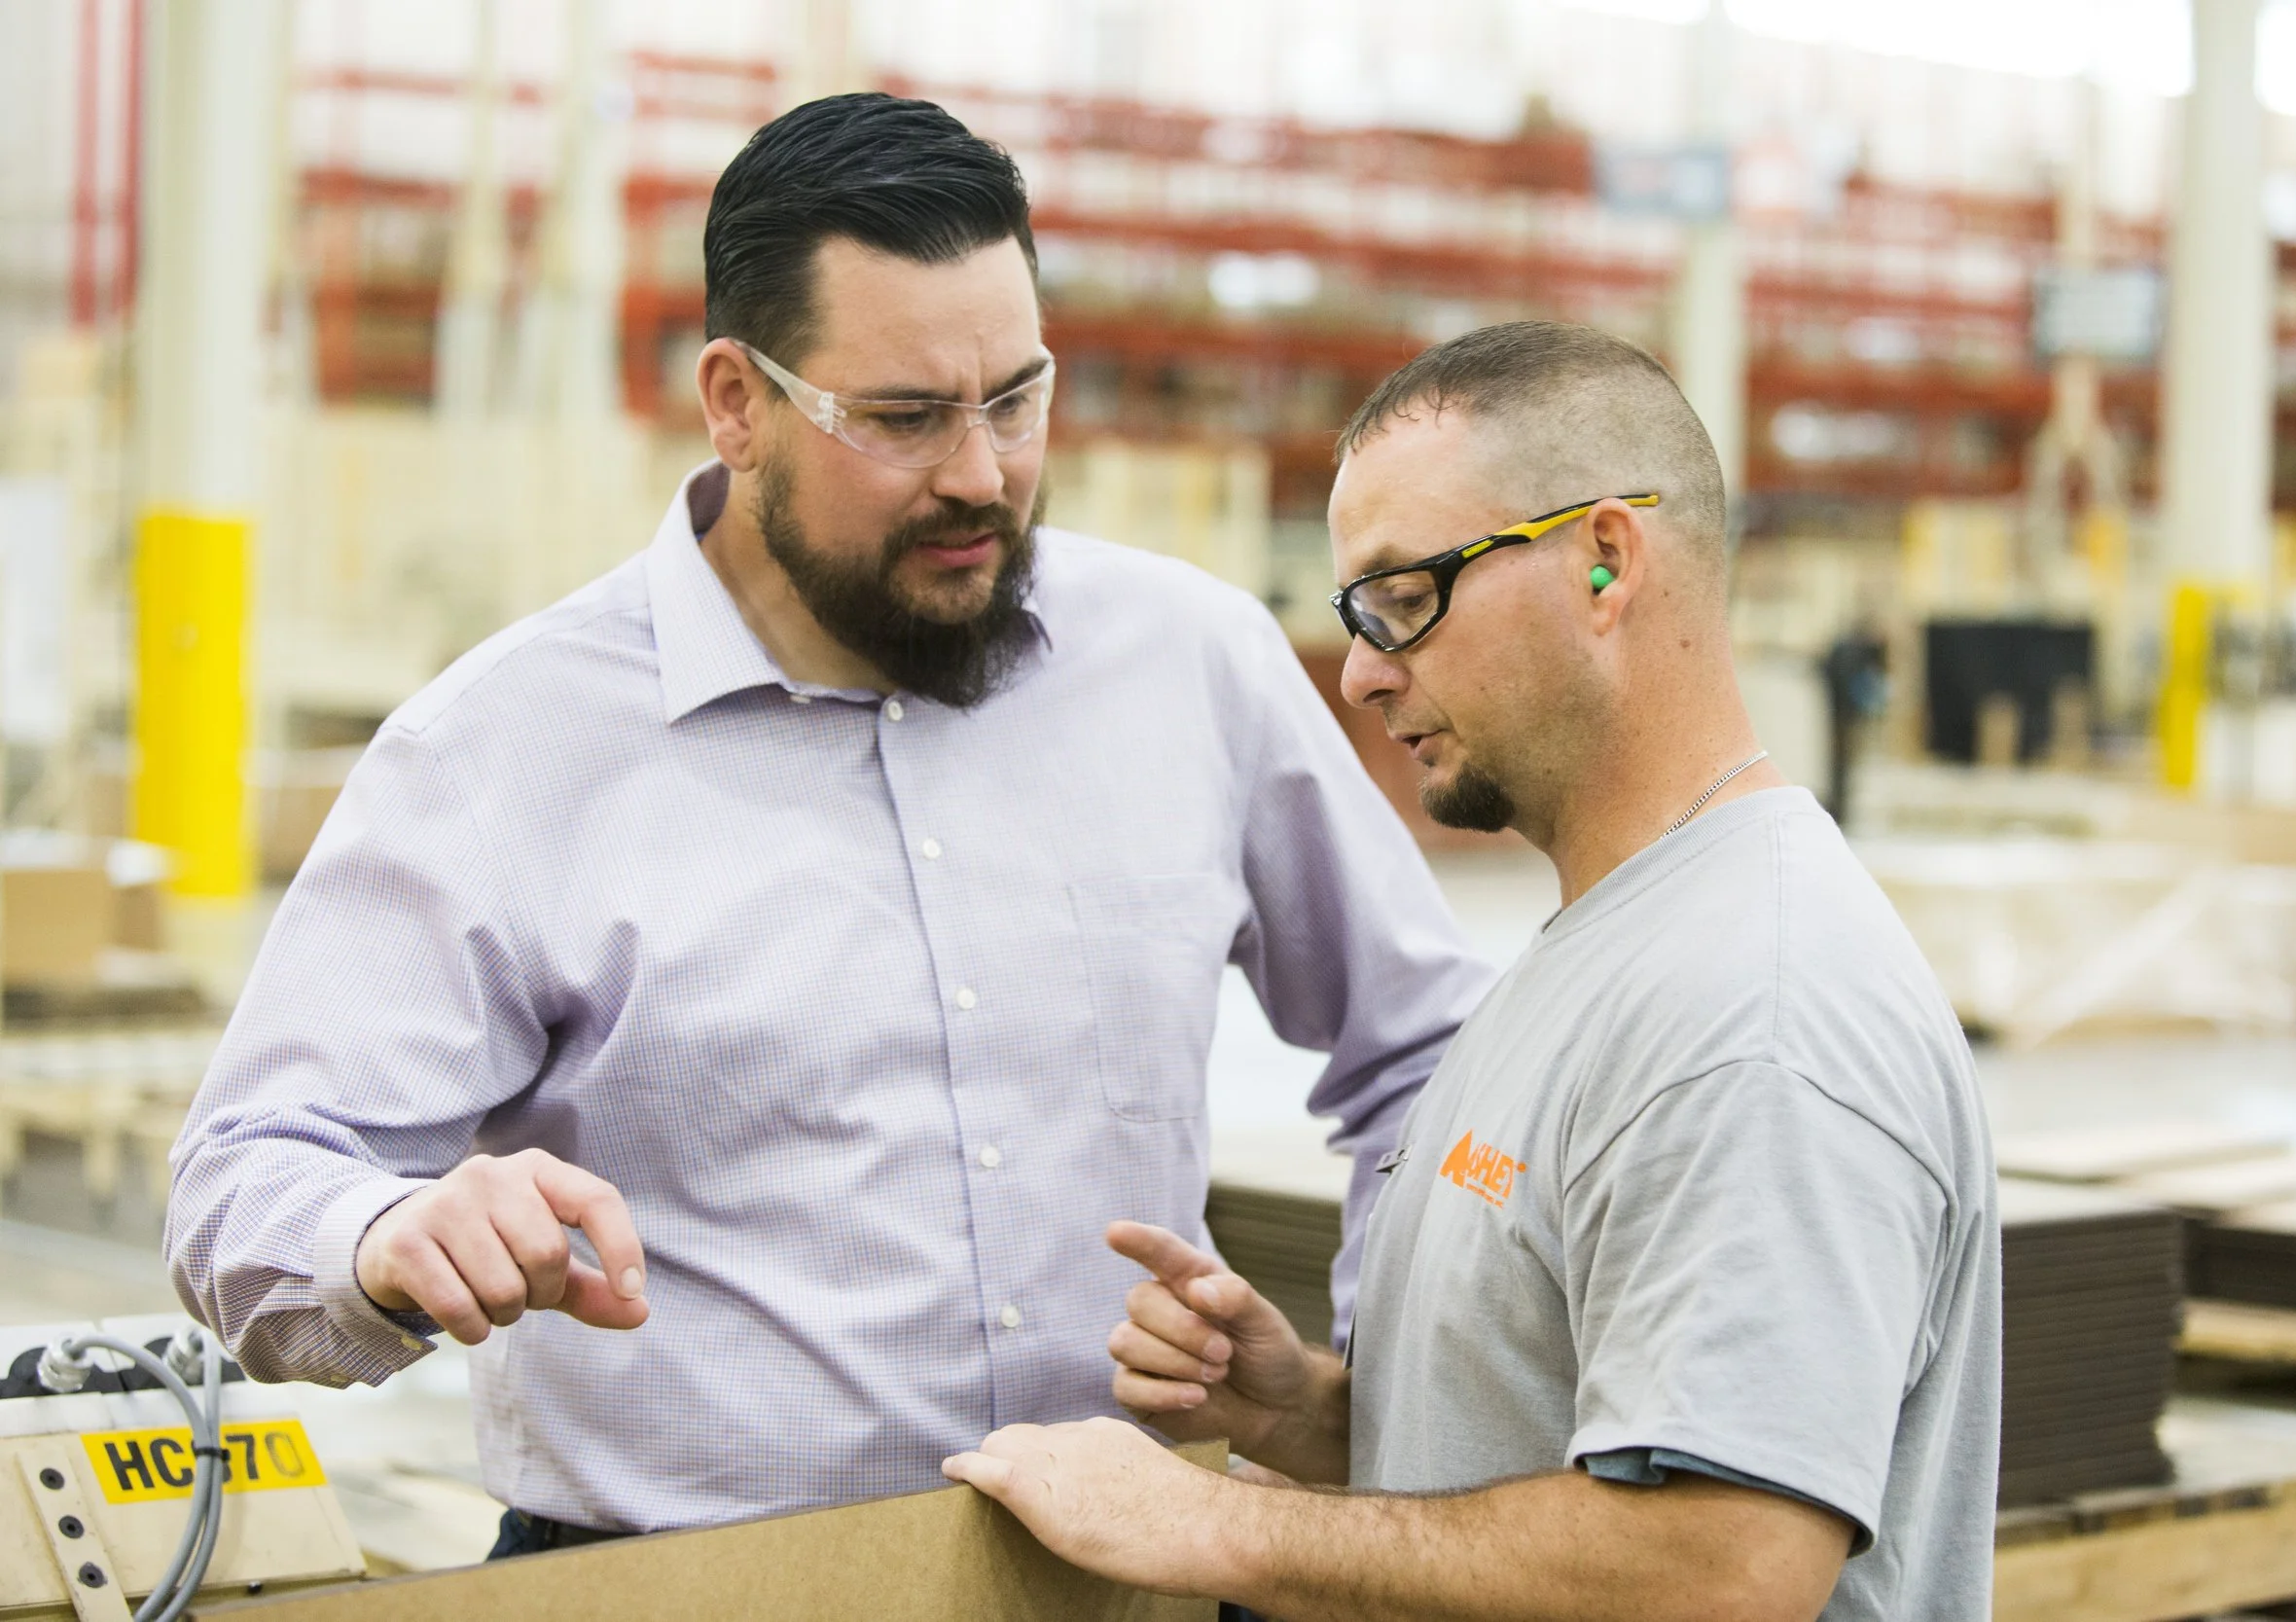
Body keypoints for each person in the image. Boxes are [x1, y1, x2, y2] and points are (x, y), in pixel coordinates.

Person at [164, 93, 1492, 1548]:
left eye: (1017, 397)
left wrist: (1368, 1382)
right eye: (905, 417)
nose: (981, 473)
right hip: (675, 1581)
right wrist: (381, 1238)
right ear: (736, 400)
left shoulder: (1190, 663)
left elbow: (1431, 1051)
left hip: (1136, 1565)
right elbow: (245, 1174)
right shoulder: (504, 751)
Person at [944, 321, 1999, 1622]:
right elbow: (1563, 1446)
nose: (1366, 673)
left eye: (1407, 596)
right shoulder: (1602, 949)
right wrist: (1319, 1417)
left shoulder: (1754, 1012)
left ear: (1605, 562)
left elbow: (1715, 1569)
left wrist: (1212, 1520)